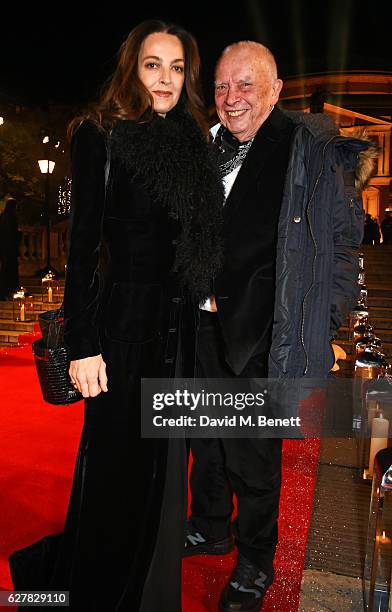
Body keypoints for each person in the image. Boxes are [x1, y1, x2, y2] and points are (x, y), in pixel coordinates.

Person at [9, 20, 223, 611]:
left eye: (177, 68)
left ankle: (152, 595)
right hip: (122, 332)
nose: (166, 79)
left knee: (163, 476)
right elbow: (81, 250)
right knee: (117, 475)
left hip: (177, 333)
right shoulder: (100, 134)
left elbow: (198, 243)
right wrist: (81, 345)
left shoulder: (191, 140)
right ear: (132, 68)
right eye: (154, 65)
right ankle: (103, 593)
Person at [186, 41, 374, 612]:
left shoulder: (308, 151)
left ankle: (254, 560)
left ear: (275, 91)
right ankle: (211, 525)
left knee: (252, 455)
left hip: (265, 333)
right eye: (221, 86)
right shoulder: (206, 148)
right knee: (203, 440)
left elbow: (342, 245)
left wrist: (327, 317)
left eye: (245, 85)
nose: (230, 98)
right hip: (200, 326)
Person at [0, 197, 20, 299]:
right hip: (9, 250)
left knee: (7, 270)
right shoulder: (9, 218)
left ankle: (8, 291)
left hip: (7, 249)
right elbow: (10, 235)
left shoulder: (4, 217)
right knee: (8, 271)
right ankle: (7, 291)